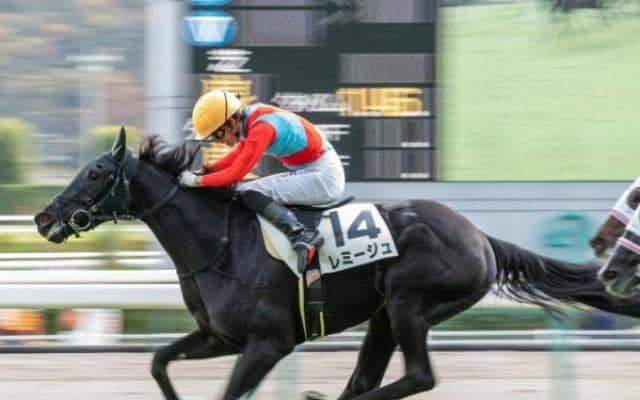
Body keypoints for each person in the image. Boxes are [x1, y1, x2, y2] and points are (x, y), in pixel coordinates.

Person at [179, 89, 345, 268]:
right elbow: (236, 156)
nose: (217, 141)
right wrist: (203, 172)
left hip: (324, 176)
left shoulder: (261, 127)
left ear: (232, 122)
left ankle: (301, 235)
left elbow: (235, 174)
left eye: (217, 134)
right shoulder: (251, 119)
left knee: (249, 191)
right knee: (247, 191)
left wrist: (197, 181)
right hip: (315, 169)